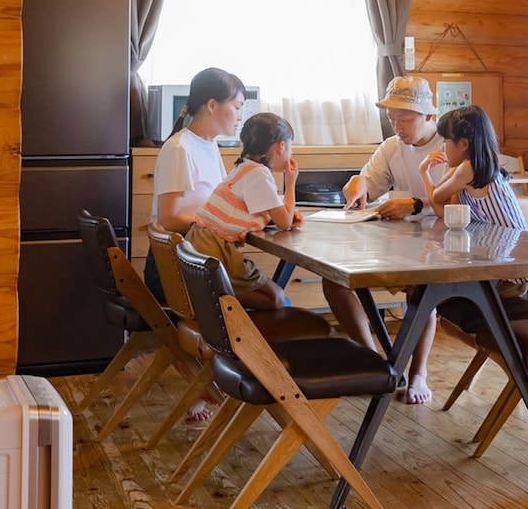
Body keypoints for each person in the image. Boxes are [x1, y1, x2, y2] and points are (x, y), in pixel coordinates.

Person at [328, 75, 446, 405]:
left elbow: (464, 206)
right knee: (335, 281)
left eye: (405, 119)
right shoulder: (392, 147)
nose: (397, 126)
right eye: (392, 118)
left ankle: (419, 373)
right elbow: (369, 181)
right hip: (398, 244)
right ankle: (374, 364)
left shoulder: (450, 146)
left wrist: (417, 203)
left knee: (420, 292)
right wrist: (358, 184)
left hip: (444, 248)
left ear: (429, 116)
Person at [146, 66, 247, 420]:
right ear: (211, 105)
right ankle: (225, 379)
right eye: (236, 106)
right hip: (175, 270)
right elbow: (171, 217)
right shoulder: (179, 149)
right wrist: (219, 223)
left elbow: (215, 205)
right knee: (263, 299)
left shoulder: (208, 146)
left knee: (260, 295)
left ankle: (222, 379)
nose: (240, 115)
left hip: (198, 262)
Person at [185, 112, 301, 310]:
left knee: (277, 298)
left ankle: (214, 295)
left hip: (200, 241)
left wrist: (283, 212)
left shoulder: (245, 168)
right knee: (277, 299)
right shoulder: (258, 174)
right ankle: (215, 297)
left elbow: (257, 210)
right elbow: (285, 223)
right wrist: (290, 183)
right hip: (215, 248)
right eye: (289, 147)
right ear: (281, 146)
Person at [419, 105, 528, 297]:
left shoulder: (469, 170)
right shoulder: (471, 169)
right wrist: (447, 172)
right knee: (440, 295)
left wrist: (424, 171)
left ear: (463, 144)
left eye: (446, 141)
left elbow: (437, 198)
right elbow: (444, 213)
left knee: (439, 294)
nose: (442, 148)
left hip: (510, 276)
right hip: (500, 267)